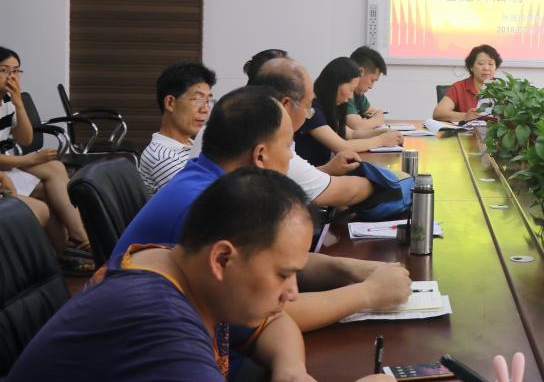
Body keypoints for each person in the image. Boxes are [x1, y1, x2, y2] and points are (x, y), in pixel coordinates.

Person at [0, 168, 400, 382]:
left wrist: (289, 368)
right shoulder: (153, 314)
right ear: (222, 258)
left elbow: (274, 324)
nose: (292, 292)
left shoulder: (178, 266)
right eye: (283, 274)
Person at [115, 86, 411, 332]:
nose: (291, 159)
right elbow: (266, 313)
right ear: (260, 156)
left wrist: (360, 269)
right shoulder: (208, 204)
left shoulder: (212, 179)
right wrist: (368, 293)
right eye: (288, 148)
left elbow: (275, 262)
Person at [249, 56, 375, 207]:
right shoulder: (274, 147)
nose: (309, 114)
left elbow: (294, 178)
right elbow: (342, 191)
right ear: (286, 105)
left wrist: (328, 169)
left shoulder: (254, 127)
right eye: (308, 107)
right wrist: (382, 182)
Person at [0, 46, 90, 254]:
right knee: (46, 192)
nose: (11, 76)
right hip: (4, 168)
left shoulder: (8, 101)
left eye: (16, 71)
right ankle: (65, 251)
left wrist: (19, 104)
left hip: (7, 165)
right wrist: (30, 160)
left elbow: (25, 139)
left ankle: (78, 237)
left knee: (55, 167)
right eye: (4, 70)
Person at [293, 57, 403, 167]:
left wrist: (383, 132)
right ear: (335, 84)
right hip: (315, 172)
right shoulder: (312, 109)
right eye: (351, 89)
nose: (351, 97)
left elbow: (351, 134)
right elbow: (342, 146)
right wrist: (381, 140)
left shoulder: (328, 105)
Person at [139, 62, 217, 193]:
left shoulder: (193, 145)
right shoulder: (162, 157)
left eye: (208, 101)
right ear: (170, 103)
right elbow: (205, 199)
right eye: (197, 99)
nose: (205, 109)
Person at [434, 44, 501, 122]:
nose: (486, 68)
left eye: (491, 64)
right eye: (481, 63)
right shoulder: (459, 87)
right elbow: (438, 113)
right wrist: (465, 116)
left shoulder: (503, 89)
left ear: (495, 67)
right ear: (471, 67)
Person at [346, 46, 389, 131]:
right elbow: (358, 127)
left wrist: (373, 119)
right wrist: (377, 120)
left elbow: (374, 112)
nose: (371, 87)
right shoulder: (344, 93)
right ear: (360, 72)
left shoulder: (358, 94)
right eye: (372, 80)